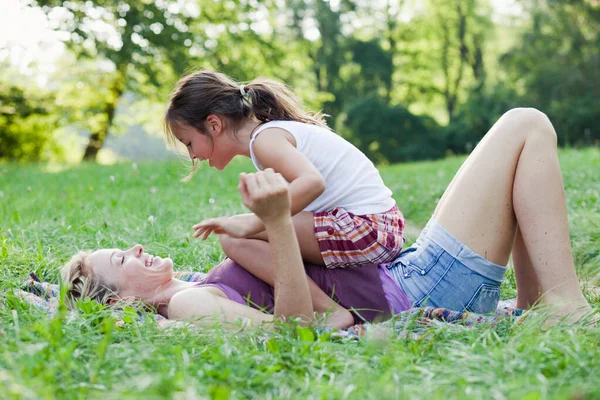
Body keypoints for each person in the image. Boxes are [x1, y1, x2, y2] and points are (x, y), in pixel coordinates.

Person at [61, 170, 410, 329]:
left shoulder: (196, 286)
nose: (136, 247)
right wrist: (276, 223)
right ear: (117, 302)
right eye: (122, 259)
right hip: (401, 290)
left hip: (394, 270)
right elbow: (289, 334)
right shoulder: (184, 304)